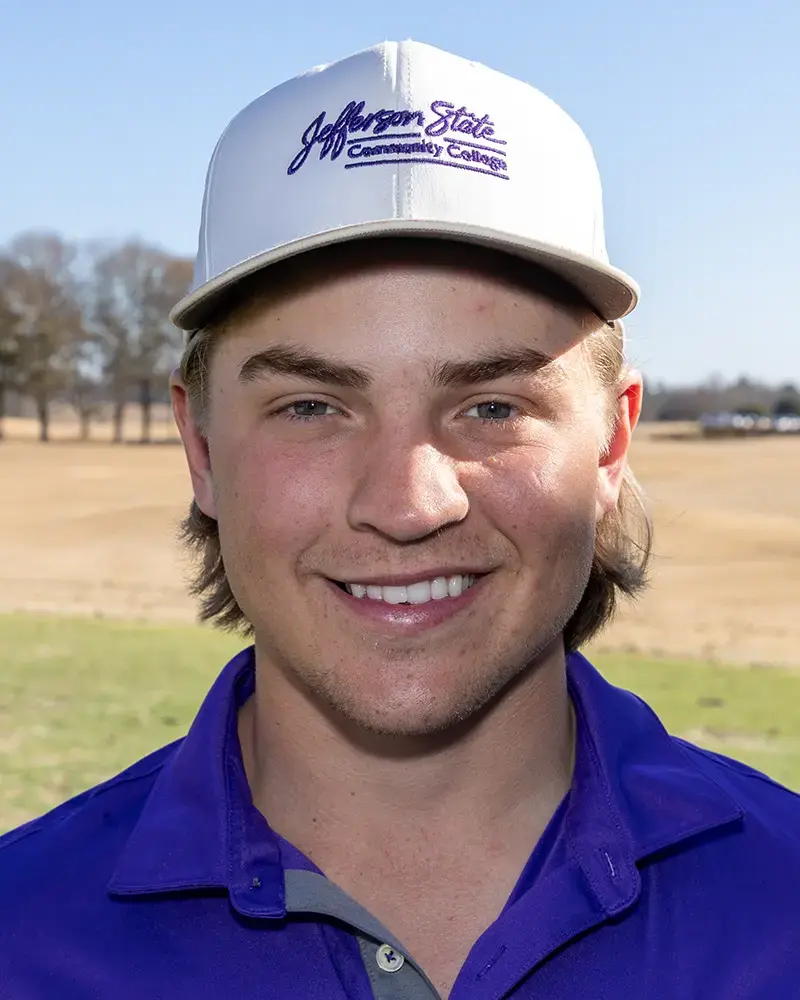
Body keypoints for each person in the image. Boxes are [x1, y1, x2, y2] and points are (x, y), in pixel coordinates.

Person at [1, 39, 798, 1000]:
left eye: (493, 407)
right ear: (202, 449)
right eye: (311, 406)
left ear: (612, 444)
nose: (408, 504)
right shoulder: (24, 934)